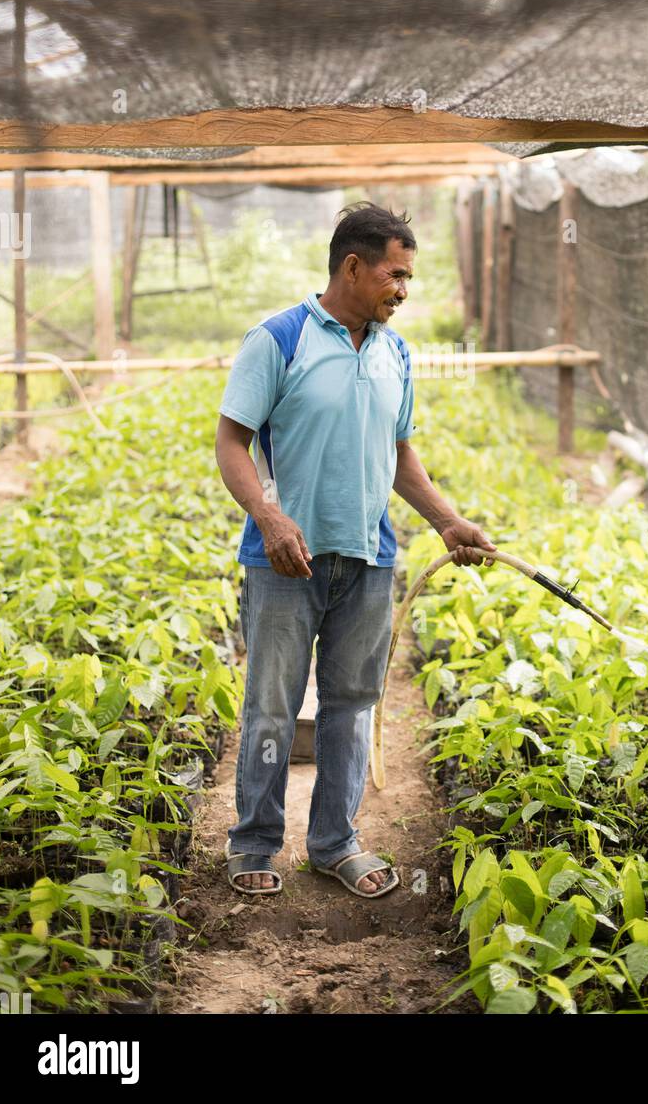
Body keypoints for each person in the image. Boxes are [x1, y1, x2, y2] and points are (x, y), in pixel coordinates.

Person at [215, 202, 494, 897]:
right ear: (352, 267)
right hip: (285, 561)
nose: (404, 289)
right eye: (395, 275)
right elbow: (232, 442)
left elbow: (398, 453)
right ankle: (253, 846)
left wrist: (446, 521)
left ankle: (335, 842)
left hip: (369, 559)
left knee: (352, 703)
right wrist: (269, 517)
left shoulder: (394, 351)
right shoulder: (278, 339)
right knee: (273, 707)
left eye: (408, 277)